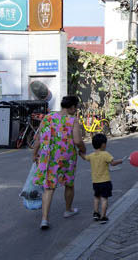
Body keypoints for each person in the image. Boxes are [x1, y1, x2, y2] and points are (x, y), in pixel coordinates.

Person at [32, 94, 86, 231]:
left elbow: (38, 138)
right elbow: (78, 141)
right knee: (69, 183)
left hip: (48, 157)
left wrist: (34, 154)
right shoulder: (72, 120)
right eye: (76, 107)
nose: (76, 110)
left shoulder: (47, 118)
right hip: (66, 158)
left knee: (49, 187)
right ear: (72, 107)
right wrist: (83, 150)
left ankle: (44, 219)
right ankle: (68, 210)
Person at [89, 133, 122, 223]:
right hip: (105, 181)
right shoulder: (105, 154)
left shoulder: (91, 155)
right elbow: (113, 163)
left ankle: (96, 213)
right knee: (104, 199)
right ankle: (103, 216)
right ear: (103, 144)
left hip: (95, 182)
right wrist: (120, 161)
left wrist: (80, 153)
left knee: (96, 197)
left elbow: (85, 157)